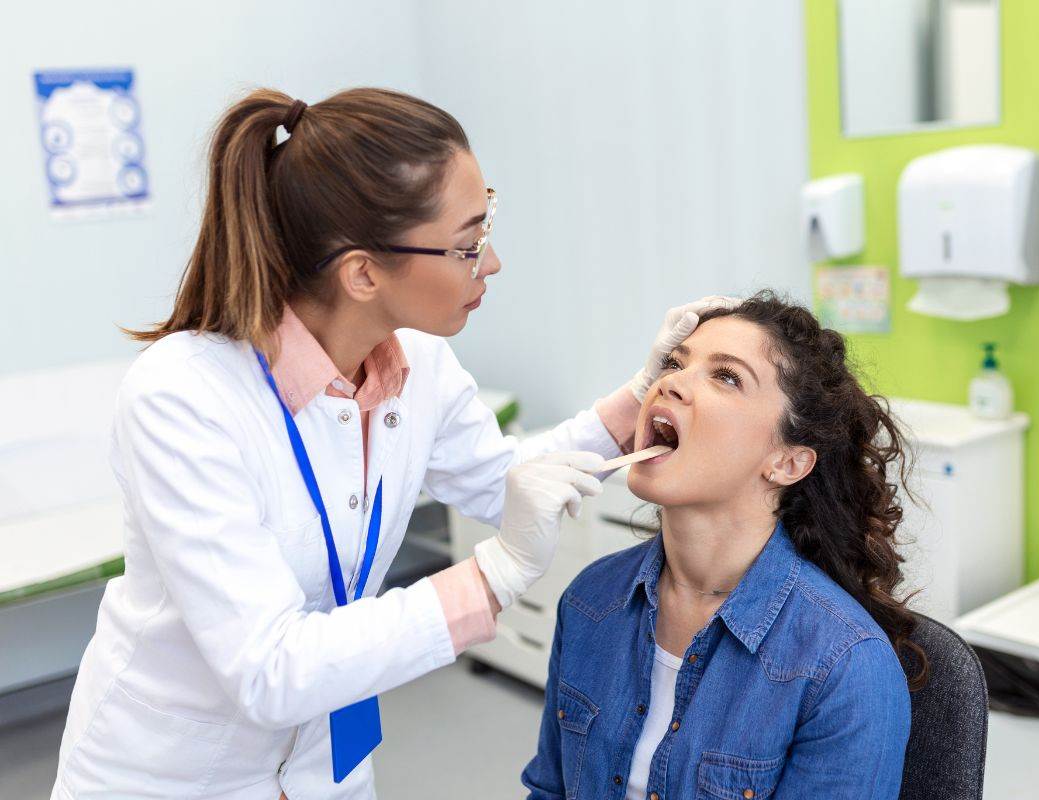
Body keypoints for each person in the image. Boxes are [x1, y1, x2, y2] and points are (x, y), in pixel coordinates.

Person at [50, 86, 734, 799]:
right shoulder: (183, 397)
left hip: (325, 763)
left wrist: (638, 393)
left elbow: (504, 481)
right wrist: (491, 576)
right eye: (469, 243)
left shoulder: (419, 367)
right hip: (170, 774)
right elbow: (268, 668)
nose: (491, 263)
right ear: (363, 272)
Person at [522, 291, 926, 800]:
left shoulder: (844, 666)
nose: (671, 383)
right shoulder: (589, 600)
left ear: (787, 462)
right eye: (674, 362)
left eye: (726, 376)